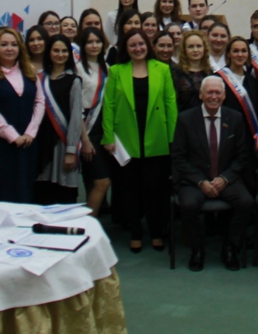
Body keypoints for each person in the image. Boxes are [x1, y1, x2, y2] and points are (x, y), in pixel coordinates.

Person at [103, 30, 177, 253]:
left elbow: (170, 103)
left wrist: (172, 138)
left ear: (148, 45)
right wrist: (108, 136)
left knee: (155, 190)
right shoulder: (116, 71)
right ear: (126, 49)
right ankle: (135, 233)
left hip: (157, 138)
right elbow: (108, 105)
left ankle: (156, 232)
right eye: (132, 45)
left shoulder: (162, 69)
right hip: (126, 141)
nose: (138, 48)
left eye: (141, 44)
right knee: (129, 190)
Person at [173, 76, 255, 272]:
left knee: (247, 203)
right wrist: (200, 181)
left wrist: (225, 179)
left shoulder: (235, 118)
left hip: (226, 178)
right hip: (195, 180)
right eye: (209, 92)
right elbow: (179, 157)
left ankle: (230, 247)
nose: (214, 96)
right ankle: (197, 249)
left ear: (224, 95)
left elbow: (242, 157)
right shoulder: (185, 119)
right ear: (201, 95)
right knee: (188, 205)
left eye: (218, 92)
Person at [0, 28, 44, 202]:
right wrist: (11, 135)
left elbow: (39, 101)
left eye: (14, 44)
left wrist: (30, 132)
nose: (9, 49)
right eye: (4, 44)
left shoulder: (29, 69)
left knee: (25, 187)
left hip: (27, 141)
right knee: (1, 189)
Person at [35, 35, 83, 205]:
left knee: (63, 194)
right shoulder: (38, 79)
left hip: (62, 144)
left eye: (64, 51)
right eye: (56, 50)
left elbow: (76, 117)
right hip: (41, 142)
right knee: (42, 192)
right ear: (48, 52)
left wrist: (71, 150)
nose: (60, 54)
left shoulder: (74, 81)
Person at [76, 27, 111, 216]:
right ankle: (89, 223)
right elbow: (77, 107)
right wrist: (85, 140)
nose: (94, 45)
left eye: (97, 41)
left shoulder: (107, 67)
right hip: (87, 130)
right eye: (89, 42)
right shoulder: (78, 69)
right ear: (83, 45)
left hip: (103, 129)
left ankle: (90, 221)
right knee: (102, 181)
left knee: (97, 181)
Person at [217, 36, 258, 145]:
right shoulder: (218, 79)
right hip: (227, 135)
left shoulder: (252, 81)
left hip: (249, 136)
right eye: (235, 51)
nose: (240, 55)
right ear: (228, 54)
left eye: (244, 51)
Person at [172, 30, 209, 112]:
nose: (195, 50)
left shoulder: (210, 73)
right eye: (191, 47)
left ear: (204, 48)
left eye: (199, 46)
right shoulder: (175, 73)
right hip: (183, 116)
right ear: (184, 49)